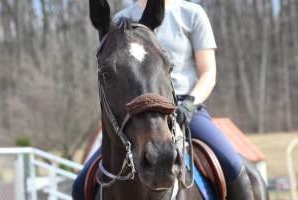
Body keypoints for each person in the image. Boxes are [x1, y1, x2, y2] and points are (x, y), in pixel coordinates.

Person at [72, 0, 254, 199]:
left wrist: (190, 104)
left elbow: (208, 72)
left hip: (187, 107)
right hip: (135, 114)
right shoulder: (119, 20)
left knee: (234, 167)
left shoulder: (192, 13)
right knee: (80, 185)